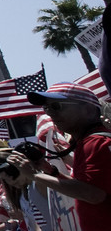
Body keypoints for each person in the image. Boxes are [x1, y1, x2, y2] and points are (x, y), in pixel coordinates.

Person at [8, 82, 111, 228]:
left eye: (57, 106)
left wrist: (35, 175)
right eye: (47, 108)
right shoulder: (90, 142)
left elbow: (93, 194)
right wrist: (51, 171)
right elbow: (87, 187)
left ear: (88, 109)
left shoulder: (95, 142)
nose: (50, 114)